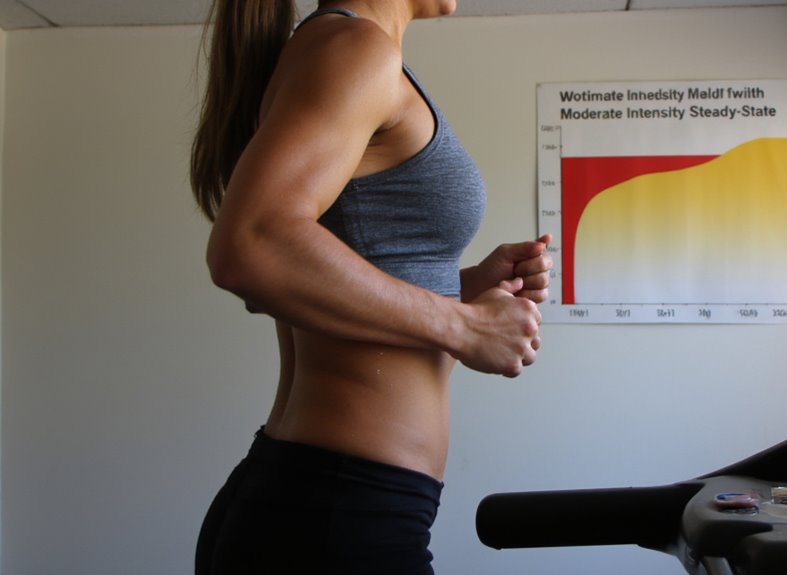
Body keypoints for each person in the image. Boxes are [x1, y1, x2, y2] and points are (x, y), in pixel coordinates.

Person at [189, 1, 552, 573]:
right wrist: (463, 326)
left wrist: (466, 288)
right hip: (334, 515)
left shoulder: (343, 50)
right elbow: (251, 246)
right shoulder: (354, 51)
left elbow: (336, 263)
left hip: (324, 503)